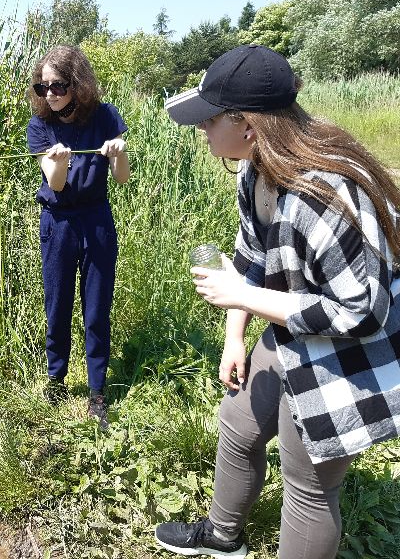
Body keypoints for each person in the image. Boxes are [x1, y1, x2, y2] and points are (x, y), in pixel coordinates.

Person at [155, 43, 400, 558]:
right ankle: (223, 537)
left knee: (307, 479)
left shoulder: (325, 197)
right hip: (293, 321)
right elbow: (249, 259)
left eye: (209, 120)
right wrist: (235, 337)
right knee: (239, 422)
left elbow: (362, 313)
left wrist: (244, 296)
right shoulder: (256, 171)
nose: (202, 130)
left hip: (353, 346)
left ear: (247, 125)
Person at [26, 45, 130, 427]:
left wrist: (118, 153)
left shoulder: (105, 116)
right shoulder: (40, 126)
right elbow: (56, 184)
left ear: (78, 84)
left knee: (97, 307)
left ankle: (97, 390)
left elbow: (121, 178)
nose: (50, 94)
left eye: (58, 85)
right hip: (58, 223)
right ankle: (56, 378)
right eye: (43, 87)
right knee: (57, 304)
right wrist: (59, 161)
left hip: (96, 219)